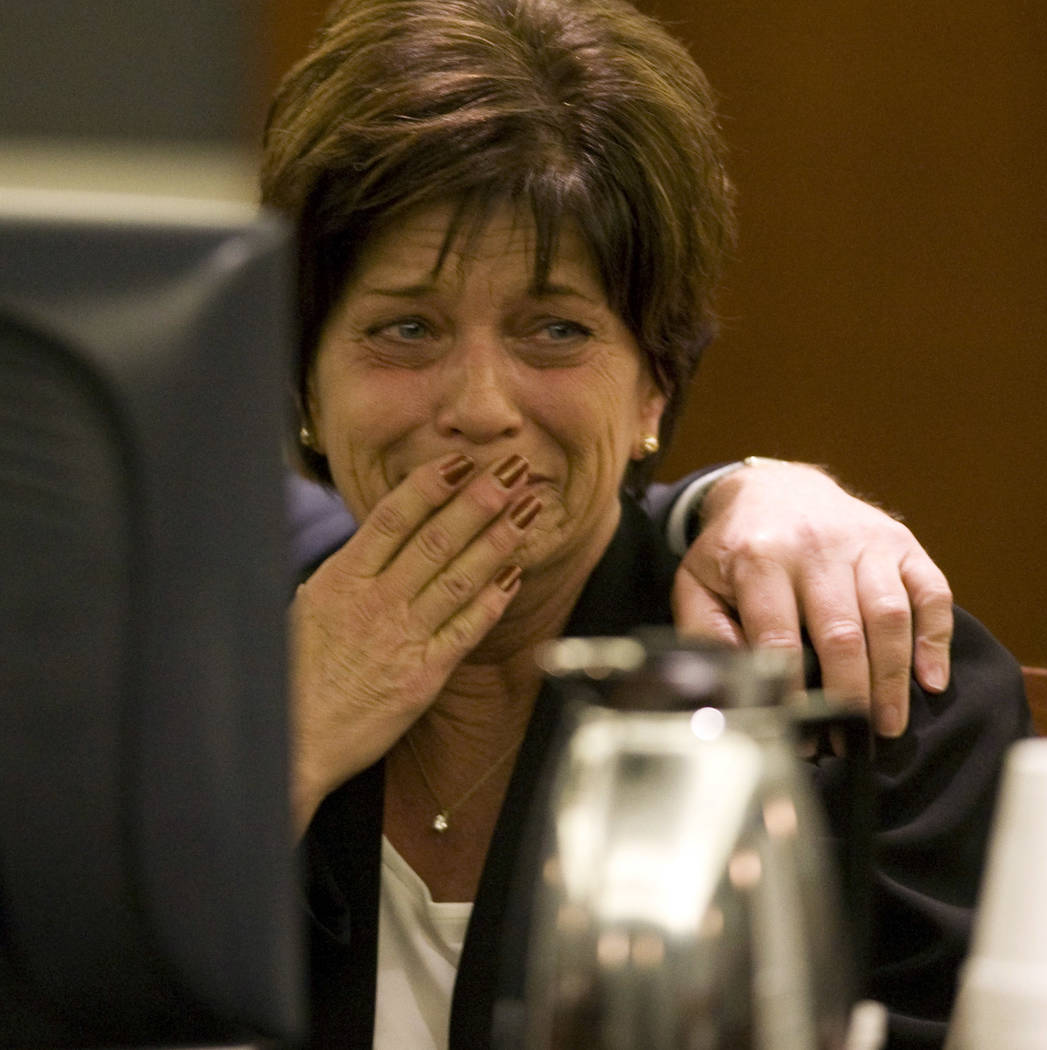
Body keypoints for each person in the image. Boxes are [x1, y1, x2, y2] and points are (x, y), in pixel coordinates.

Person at [262, 1, 1030, 1047]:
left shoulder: (854, 692)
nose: (480, 405)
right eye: (407, 328)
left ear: (655, 388)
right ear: (305, 379)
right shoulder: (187, 684)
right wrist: (274, 757)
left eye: (554, 329)